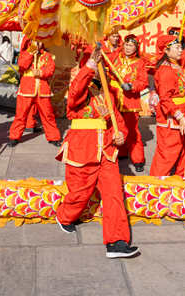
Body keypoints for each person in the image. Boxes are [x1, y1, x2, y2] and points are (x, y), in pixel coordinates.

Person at [55, 43, 138, 259]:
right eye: (96, 66)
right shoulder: (79, 91)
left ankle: (117, 241)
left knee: (113, 195)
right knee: (79, 193)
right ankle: (64, 216)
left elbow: (119, 122)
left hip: (107, 151)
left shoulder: (107, 94)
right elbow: (74, 94)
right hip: (82, 150)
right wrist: (91, 63)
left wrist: (121, 136)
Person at [148, 35, 185, 177]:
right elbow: (165, 99)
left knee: (183, 153)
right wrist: (179, 116)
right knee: (167, 155)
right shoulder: (166, 70)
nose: (181, 50)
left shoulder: (176, 65)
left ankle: (181, 183)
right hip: (171, 118)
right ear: (166, 51)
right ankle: (155, 188)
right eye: (177, 47)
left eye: (181, 47)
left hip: (183, 113)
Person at [9, 38, 61, 146]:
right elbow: (22, 66)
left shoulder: (47, 55)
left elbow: (51, 69)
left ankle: (54, 137)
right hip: (26, 90)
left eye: (40, 41)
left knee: (48, 115)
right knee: (21, 115)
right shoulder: (24, 54)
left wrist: (41, 73)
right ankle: (14, 137)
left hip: (43, 90)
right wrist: (31, 52)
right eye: (35, 41)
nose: (38, 43)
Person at [107, 34, 148, 172]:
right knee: (114, 128)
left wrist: (131, 86)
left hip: (130, 101)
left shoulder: (140, 62)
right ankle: (119, 153)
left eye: (131, 45)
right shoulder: (115, 57)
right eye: (126, 44)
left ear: (136, 47)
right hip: (113, 98)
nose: (128, 48)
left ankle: (138, 159)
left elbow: (143, 82)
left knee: (132, 131)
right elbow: (103, 59)